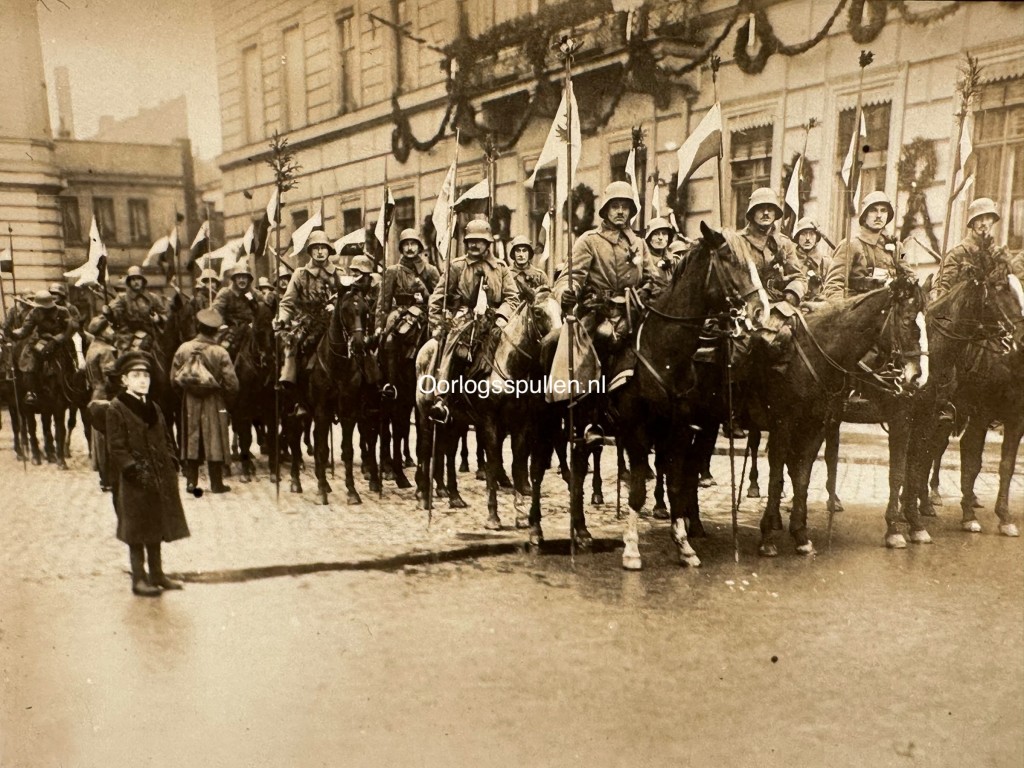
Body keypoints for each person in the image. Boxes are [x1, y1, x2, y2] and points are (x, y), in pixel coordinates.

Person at [552, 180, 667, 374]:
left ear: (631, 211)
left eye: (625, 207)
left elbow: (654, 279)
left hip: (635, 312)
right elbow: (569, 277)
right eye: (615, 206)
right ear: (606, 211)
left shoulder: (639, 243)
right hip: (599, 312)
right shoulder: (590, 241)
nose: (620, 211)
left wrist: (648, 291)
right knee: (581, 359)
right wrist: (566, 293)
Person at [105, 350, 189, 597]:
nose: (142, 380)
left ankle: (158, 574)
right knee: (136, 529)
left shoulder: (154, 407)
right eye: (136, 375)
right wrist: (132, 469)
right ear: (125, 380)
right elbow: (116, 446)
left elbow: (166, 437)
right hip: (134, 479)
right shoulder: (116, 408)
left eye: (146, 376)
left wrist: (172, 460)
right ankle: (139, 579)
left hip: (159, 475)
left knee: (156, 524)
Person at [426, 219, 520, 422]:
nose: (474, 245)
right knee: (454, 346)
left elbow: (513, 297)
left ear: (488, 244)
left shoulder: (501, 268)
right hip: (465, 318)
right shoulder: (457, 267)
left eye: (480, 241)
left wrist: (502, 316)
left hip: (496, 320)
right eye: (470, 241)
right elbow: (437, 298)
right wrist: (440, 322)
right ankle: (442, 397)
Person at [171, 308, 239, 494]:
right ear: (216, 330)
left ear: (198, 327)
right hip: (214, 400)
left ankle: (191, 483)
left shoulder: (183, 348)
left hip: (190, 401)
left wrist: (185, 394)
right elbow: (232, 383)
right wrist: (226, 402)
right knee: (214, 438)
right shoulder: (220, 352)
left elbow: (173, 379)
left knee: (191, 438)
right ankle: (216, 484)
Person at [274, 231, 343, 389]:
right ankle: (294, 389)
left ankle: (373, 386)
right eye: (316, 248)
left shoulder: (339, 273)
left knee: (358, 345)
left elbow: (347, 299)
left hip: (335, 323)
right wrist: (281, 318)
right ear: (310, 251)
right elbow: (287, 303)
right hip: (308, 322)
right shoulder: (300, 274)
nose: (320, 252)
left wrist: (336, 306)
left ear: (328, 250)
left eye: (323, 248)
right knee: (293, 347)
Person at [375, 229, 439, 395]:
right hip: (401, 313)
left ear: (419, 247)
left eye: (413, 244)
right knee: (389, 340)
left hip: (426, 312)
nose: (410, 248)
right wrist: (379, 325)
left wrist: (425, 293)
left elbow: (440, 297)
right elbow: (384, 302)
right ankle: (391, 383)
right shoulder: (393, 271)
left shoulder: (430, 270)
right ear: (401, 248)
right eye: (406, 245)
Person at [822, 191, 899, 300]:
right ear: (864, 216)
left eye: (883, 211)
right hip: (858, 309)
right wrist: (843, 310)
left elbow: (908, 273)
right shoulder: (850, 245)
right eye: (873, 210)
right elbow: (833, 284)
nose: (879, 216)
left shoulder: (895, 247)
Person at [8, 289, 76, 407]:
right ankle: (31, 391)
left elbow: (70, 328)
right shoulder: (35, 312)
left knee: (75, 359)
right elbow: (26, 329)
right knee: (28, 358)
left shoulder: (63, 311)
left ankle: (77, 385)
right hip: (41, 340)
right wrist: (14, 334)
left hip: (60, 341)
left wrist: (56, 340)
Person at [934, 197, 1002, 299]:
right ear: (972, 222)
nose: (983, 222)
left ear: (992, 221)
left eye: (988, 218)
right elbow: (942, 288)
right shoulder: (957, 254)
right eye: (979, 218)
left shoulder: (996, 254)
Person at [84, 315, 118, 492]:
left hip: (95, 394)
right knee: (110, 438)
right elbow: (111, 378)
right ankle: (110, 478)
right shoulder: (106, 350)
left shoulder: (92, 348)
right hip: (106, 395)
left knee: (100, 439)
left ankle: (104, 478)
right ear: (103, 332)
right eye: (109, 329)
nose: (112, 332)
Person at [104, 265, 168, 353]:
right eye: (132, 279)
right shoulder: (122, 298)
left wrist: (158, 319)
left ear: (143, 281)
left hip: (150, 336)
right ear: (129, 282)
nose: (136, 282)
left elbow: (166, 317)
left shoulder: (153, 298)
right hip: (127, 337)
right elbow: (115, 317)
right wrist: (109, 312)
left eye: (138, 279)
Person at [211, 260, 260, 356]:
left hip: (250, 328)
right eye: (239, 277)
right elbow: (217, 310)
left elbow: (261, 306)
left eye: (245, 277)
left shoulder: (252, 293)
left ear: (249, 279)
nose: (242, 280)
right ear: (234, 279)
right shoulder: (225, 293)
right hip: (230, 329)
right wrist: (221, 324)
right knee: (224, 350)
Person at [790, 218, 831, 302]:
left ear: (817, 238)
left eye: (811, 234)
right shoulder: (789, 259)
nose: (808, 238)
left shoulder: (826, 262)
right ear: (798, 237)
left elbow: (832, 288)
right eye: (804, 234)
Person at [506, 235, 550, 299]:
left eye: (524, 250)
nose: (521, 255)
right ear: (513, 253)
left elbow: (548, 299)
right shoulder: (506, 274)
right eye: (518, 251)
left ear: (529, 253)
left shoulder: (540, 275)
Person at [644, 217, 676, 281]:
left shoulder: (674, 260)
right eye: (656, 234)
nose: (661, 237)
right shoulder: (644, 259)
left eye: (664, 233)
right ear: (649, 238)